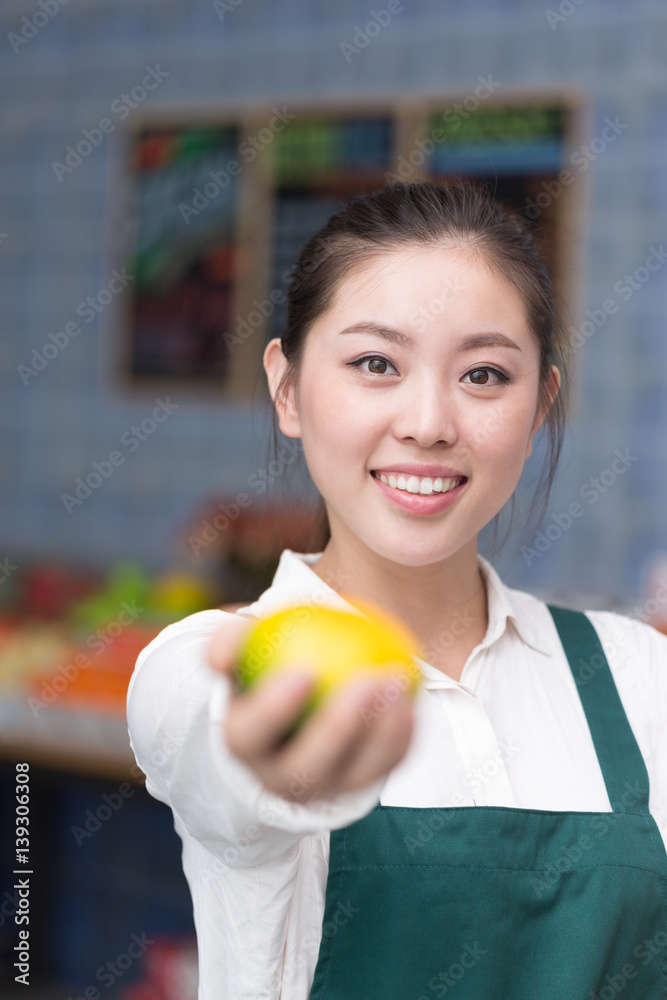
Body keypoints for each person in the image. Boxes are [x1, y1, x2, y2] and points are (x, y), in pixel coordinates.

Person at [126, 180, 667, 1000]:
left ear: (539, 408)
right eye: (374, 363)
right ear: (287, 388)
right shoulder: (196, 666)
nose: (427, 422)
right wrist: (282, 758)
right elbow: (213, 744)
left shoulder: (636, 675)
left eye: (484, 375)